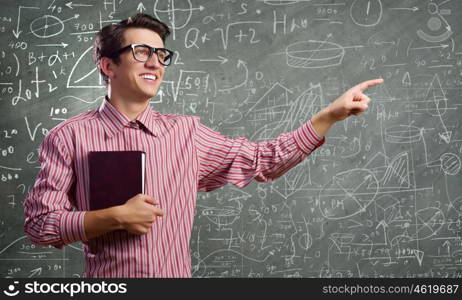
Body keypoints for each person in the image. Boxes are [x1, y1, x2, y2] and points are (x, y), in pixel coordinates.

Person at [23, 13, 383, 277]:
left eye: (162, 55)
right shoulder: (68, 137)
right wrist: (113, 217)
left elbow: (262, 160)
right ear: (108, 65)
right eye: (141, 52)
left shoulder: (186, 135)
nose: (155, 62)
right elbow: (40, 225)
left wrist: (328, 117)